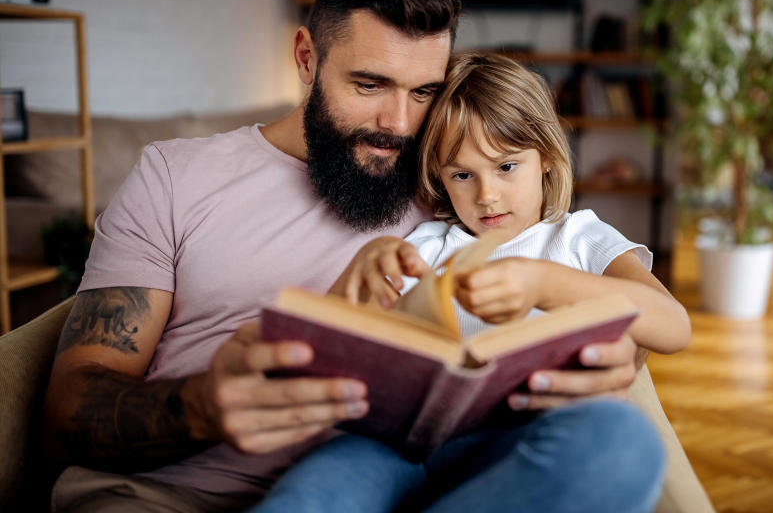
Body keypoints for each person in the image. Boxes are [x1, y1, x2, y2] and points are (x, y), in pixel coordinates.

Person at [41, 0, 663, 513]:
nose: (397, 122)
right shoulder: (176, 176)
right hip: (167, 494)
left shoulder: (453, 186)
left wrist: (614, 349)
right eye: (370, 85)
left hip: (404, 485)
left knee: (620, 447)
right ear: (307, 58)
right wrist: (201, 406)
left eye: (423, 92)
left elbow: (582, 278)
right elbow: (70, 406)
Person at [253, 52, 691, 512]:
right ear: (441, 180)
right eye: (462, 175)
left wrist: (546, 284)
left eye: (506, 167)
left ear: (544, 157)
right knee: (311, 495)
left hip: (518, 440)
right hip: (399, 446)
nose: (487, 195)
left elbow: (674, 326)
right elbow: (346, 347)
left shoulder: (578, 237)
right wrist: (366, 270)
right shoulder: (428, 243)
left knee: (623, 443)